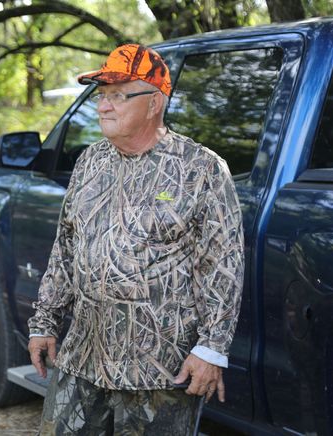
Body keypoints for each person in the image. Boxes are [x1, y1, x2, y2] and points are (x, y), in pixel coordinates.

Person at [27, 43, 244, 435]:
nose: (104, 106)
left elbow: (222, 265)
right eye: (102, 95)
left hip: (160, 370)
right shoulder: (90, 161)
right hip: (83, 357)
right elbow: (66, 248)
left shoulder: (201, 169)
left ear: (155, 102)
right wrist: (44, 322)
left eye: (118, 95)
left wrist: (211, 348)